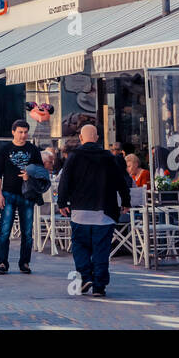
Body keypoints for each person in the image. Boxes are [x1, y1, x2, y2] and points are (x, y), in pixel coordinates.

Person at [57, 124, 130, 297]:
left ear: (81, 138)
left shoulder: (73, 157)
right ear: (97, 138)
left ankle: (84, 276)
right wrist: (125, 201)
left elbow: (64, 182)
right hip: (104, 212)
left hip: (80, 212)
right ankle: (99, 286)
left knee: (80, 246)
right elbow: (121, 182)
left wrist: (62, 202)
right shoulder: (109, 157)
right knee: (101, 249)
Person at [0, 119, 41, 274]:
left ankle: (24, 262)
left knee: (27, 231)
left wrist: (30, 175)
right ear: (13, 132)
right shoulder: (5, 150)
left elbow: (40, 172)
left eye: (25, 132)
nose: (23, 135)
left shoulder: (33, 150)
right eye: (20, 132)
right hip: (8, 194)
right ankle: (2, 262)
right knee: (5, 230)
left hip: (27, 195)